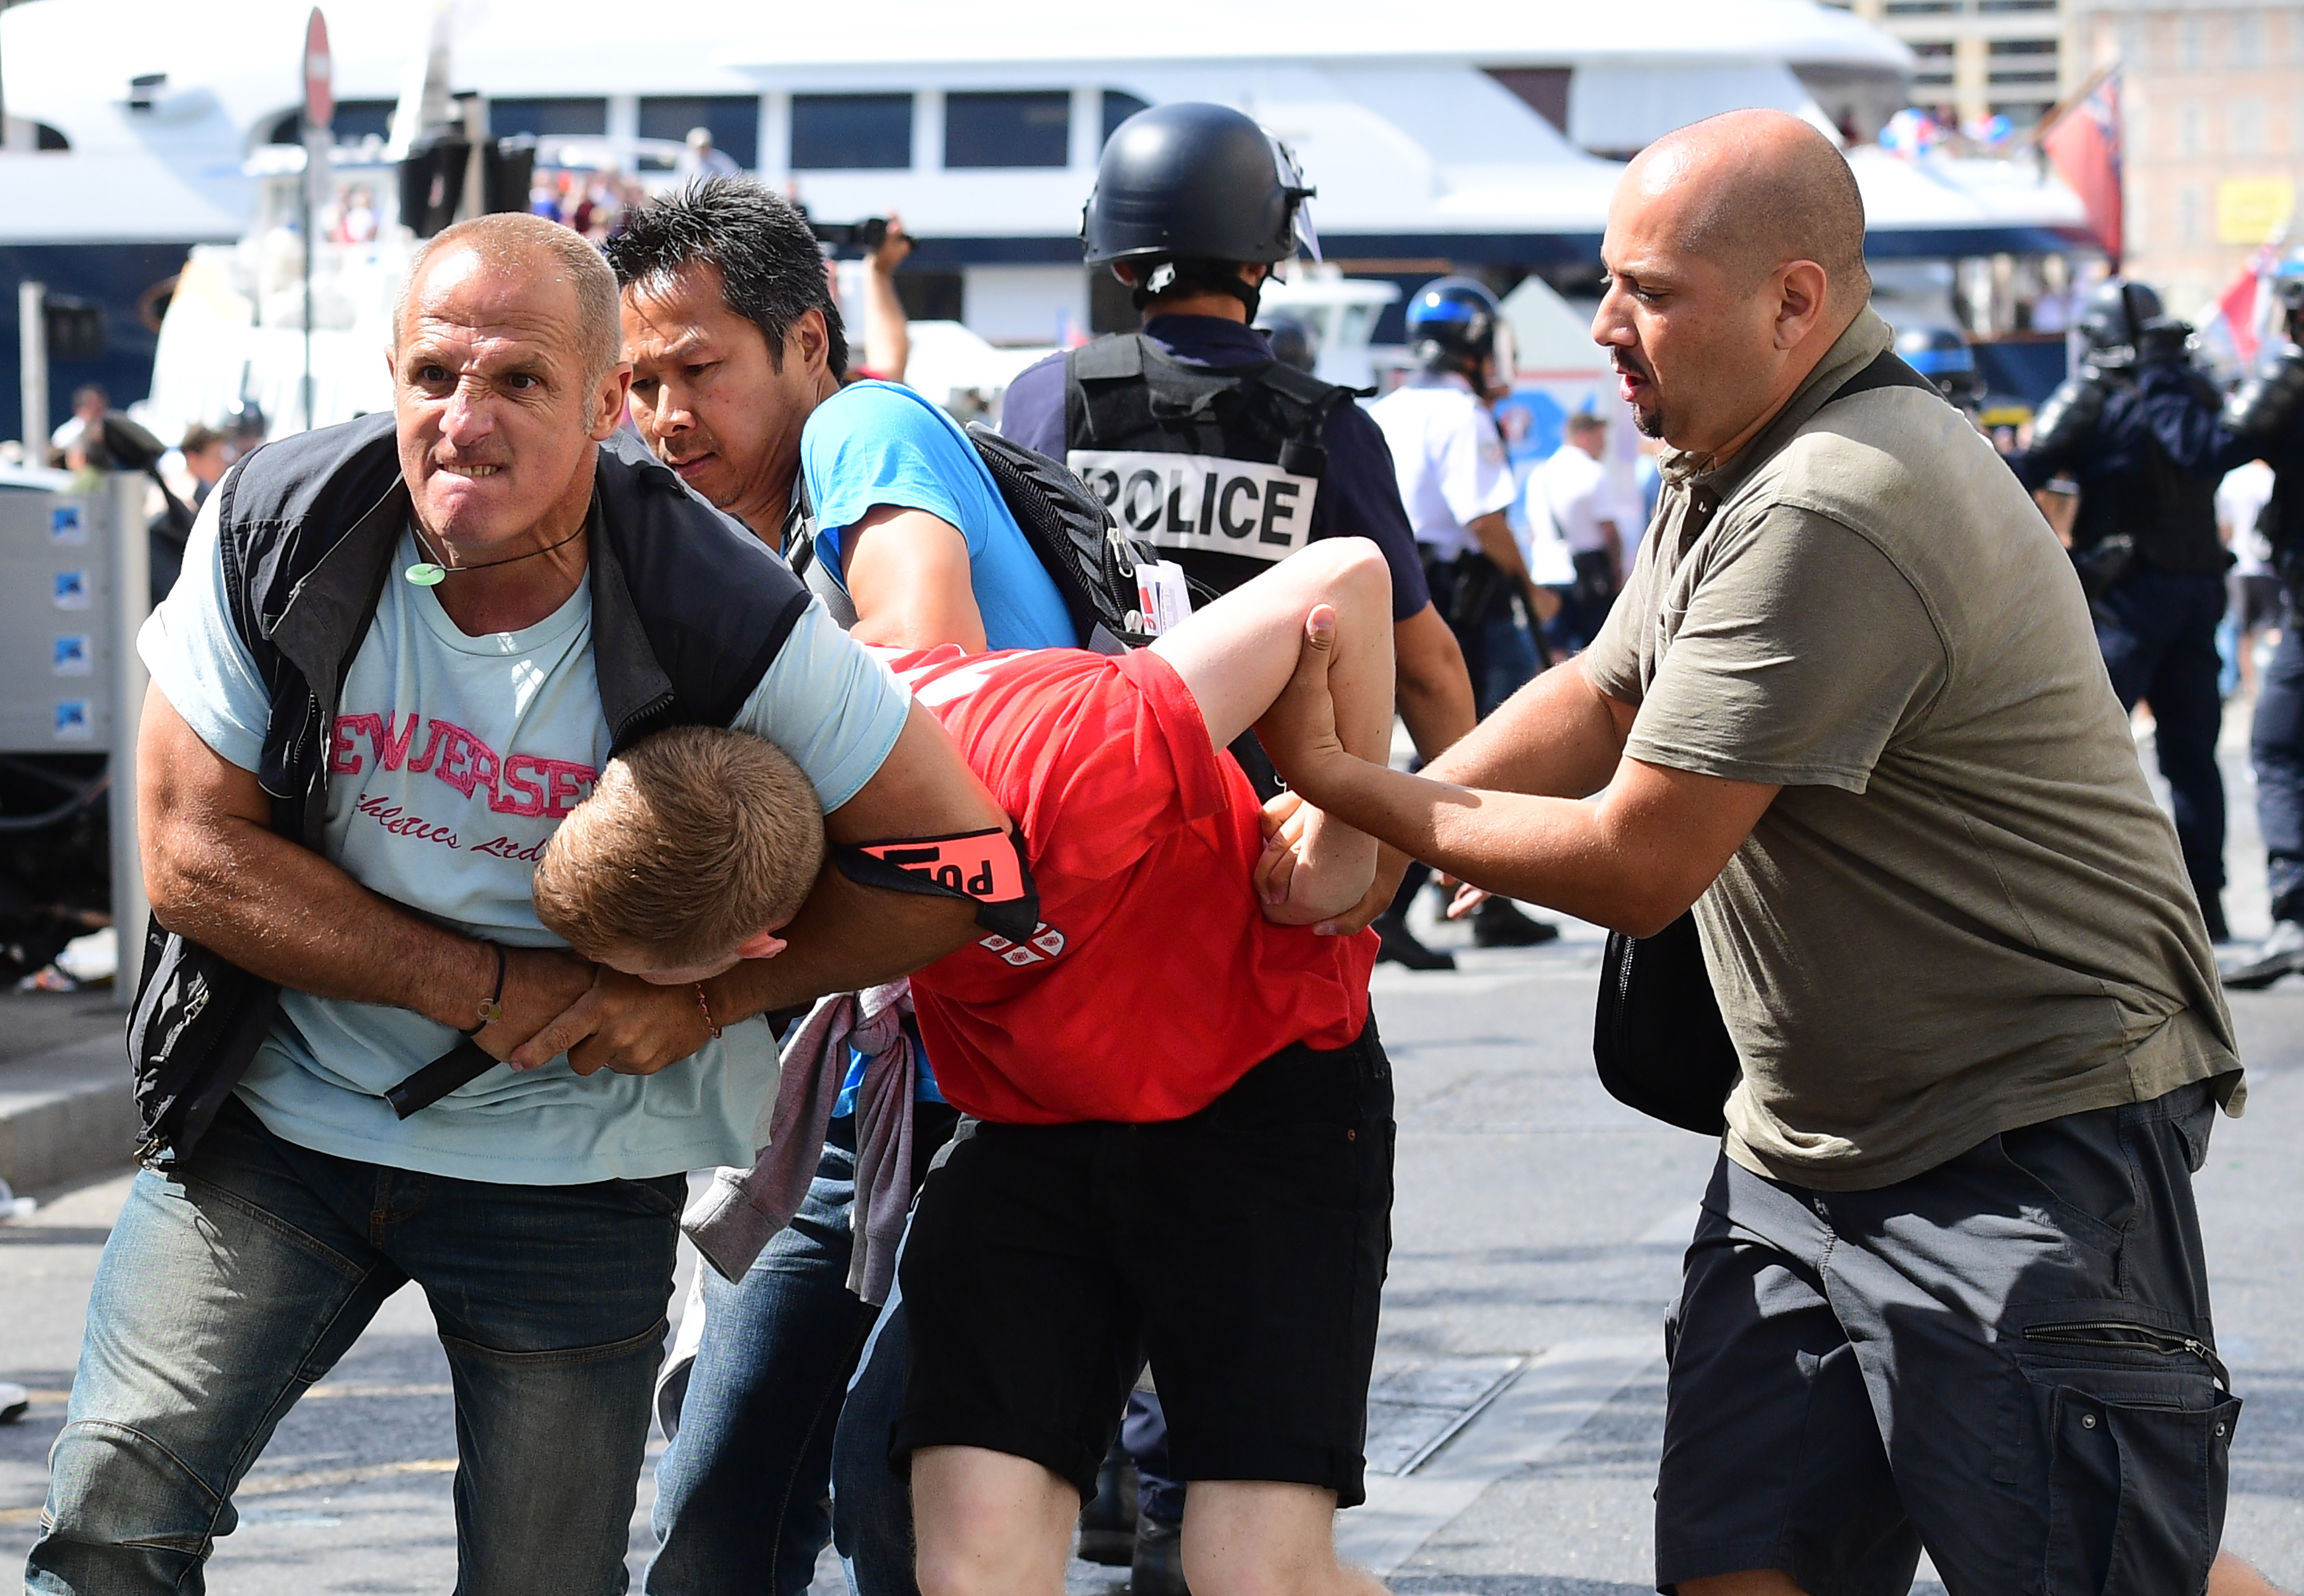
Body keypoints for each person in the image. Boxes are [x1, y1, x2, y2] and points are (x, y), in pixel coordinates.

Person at [1256, 109, 2258, 1596]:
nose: (1602, 325)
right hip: (1802, 1151)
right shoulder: (1725, 457)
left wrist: (1344, 780)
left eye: (1647, 292)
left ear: (1795, 301)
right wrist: (1394, 806)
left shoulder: (1833, 496)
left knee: (2092, 1573)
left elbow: (1631, 860)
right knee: (1738, 1567)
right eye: (1607, 283)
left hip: (2020, 1133)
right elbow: (1601, 691)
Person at [25, 212, 1011, 1596]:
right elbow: (191, 853)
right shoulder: (279, 523)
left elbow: (963, 864)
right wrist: (484, 990)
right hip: (278, 1127)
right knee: (109, 1523)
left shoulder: (717, 605)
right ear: (388, 377)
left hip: (572, 1167)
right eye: (434, 376)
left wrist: (714, 997)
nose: (463, 420)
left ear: (608, 405)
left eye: (519, 382)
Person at [530, 537, 1401, 1596]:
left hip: (1260, 1097)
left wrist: (1353, 835)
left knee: (1251, 1574)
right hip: (1029, 1127)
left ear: (769, 947)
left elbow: (1348, 573)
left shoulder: (1063, 759)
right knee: (967, 1567)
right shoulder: (758, 761)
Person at [605, 175, 1075, 1596]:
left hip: (1015, 1093)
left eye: (701, 369)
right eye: (636, 382)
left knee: (909, 1509)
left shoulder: (863, 431)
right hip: (844, 1096)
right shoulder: (706, 542)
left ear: (809, 342)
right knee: (713, 1527)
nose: (669, 415)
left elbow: (916, 652)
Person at [1002, 101, 1489, 983]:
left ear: (1113, 253)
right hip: (1262, 843)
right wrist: (1465, 830)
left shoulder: (1042, 400)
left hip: (1076, 833)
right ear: (1263, 256)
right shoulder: (1329, 429)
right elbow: (1425, 663)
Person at [2011, 277, 2235, 940]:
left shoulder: (2094, 395)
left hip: (2126, 598)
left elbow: (2020, 470)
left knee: (2086, 753)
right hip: (2193, 591)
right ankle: (2207, 907)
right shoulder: (2192, 389)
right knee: (2193, 757)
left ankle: (2092, 909)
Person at [1366, 275, 1562, 956]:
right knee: (1464, 749)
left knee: (1399, 747)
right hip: (1449, 598)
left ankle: (1484, 897)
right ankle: (1400, 904)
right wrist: (1531, 588)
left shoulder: (1387, 408)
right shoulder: (1461, 414)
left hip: (1383, 587)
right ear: (1476, 349)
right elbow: (1483, 517)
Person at [1525, 409, 1621, 656]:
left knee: (1552, 654)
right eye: (1600, 438)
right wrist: (1617, 571)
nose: (1604, 445)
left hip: (1547, 575)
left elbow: (1532, 533)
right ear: (1584, 437)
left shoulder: (1539, 475)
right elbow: (1608, 530)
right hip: (1588, 577)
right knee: (1597, 654)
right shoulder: (1593, 473)